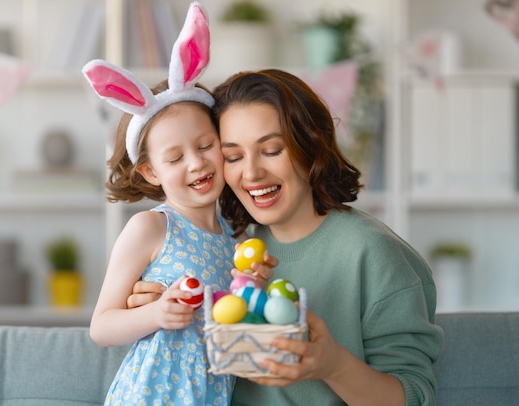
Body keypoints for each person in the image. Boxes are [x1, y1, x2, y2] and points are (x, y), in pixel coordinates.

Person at [129, 68, 445, 406]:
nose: (251, 173)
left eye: (272, 150)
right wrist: (150, 306)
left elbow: (412, 397)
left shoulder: (374, 253)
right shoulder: (229, 246)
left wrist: (332, 365)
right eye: (233, 156)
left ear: (310, 146)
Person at [81, 4, 241, 405]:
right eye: (175, 158)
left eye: (206, 145)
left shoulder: (237, 236)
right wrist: (155, 315)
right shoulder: (151, 228)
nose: (196, 162)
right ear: (151, 172)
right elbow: (101, 326)